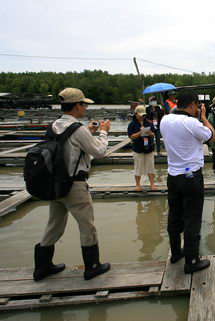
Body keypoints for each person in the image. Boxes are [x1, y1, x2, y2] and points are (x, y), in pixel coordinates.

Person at [33, 87, 111, 281]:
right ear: (77, 106)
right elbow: (99, 152)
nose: (85, 108)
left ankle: (42, 268)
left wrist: (88, 131)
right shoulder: (78, 129)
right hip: (75, 186)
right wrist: (102, 132)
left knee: (54, 225)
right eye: (83, 104)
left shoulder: (52, 126)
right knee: (87, 227)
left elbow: (67, 143)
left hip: (55, 183)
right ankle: (92, 266)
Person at [159, 89, 215, 274]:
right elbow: (213, 137)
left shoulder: (165, 119)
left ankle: (176, 253)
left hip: (173, 176)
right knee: (192, 219)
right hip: (191, 176)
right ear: (193, 104)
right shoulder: (192, 122)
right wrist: (204, 117)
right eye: (196, 105)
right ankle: (192, 261)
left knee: (175, 216)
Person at [128, 105, 157, 191]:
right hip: (138, 149)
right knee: (138, 167)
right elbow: (131, 137)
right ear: (136, 114)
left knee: (151, 167)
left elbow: (154, 134)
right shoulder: (132, 124)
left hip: (149, 148)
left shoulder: (148, 123)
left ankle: (152, 184)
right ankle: (137, 185)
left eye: (144, 115)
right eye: (141, 115)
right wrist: (140, 133)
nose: (142, 117)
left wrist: (149, 133)